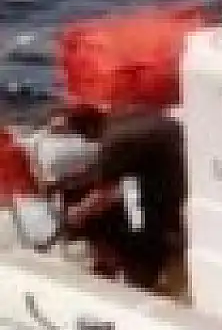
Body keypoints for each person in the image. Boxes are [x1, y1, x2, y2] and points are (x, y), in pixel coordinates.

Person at [58, 109, 187, 296]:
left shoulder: (113, 142)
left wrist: (74, 217)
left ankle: (141, 269)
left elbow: (103, 194)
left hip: (167, 186)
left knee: (131, 218)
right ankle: (138, 256)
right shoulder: (122, 119)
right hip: (178, 167)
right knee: (118, 195)